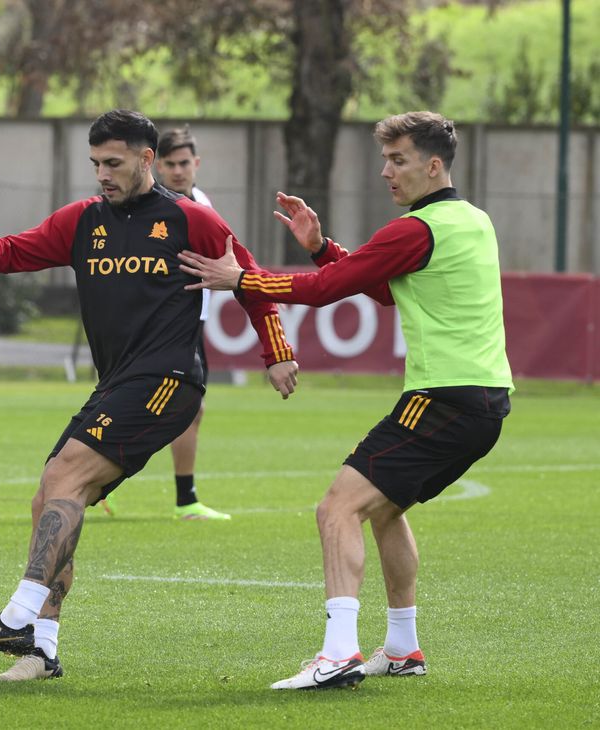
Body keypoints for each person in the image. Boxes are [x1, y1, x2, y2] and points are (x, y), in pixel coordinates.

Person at [0, 109, 299, 682]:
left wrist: (277, 353)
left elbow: (249, 280)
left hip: (168, 381)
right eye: (95, 163)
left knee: (65, 477)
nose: (102, 173)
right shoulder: (82, 221)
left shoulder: (191, 220)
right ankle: (43, 649)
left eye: (113, 162)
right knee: (53, 499)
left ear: (146, 159)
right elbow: (12, 253)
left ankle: (16, 615)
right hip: (117, 383)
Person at [178, 111, 513, 690]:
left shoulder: (415, 229)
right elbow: (381, 287)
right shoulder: (471, 220)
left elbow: (333, 289)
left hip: (443, 400)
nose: (386, 171)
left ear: (433, 166)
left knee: (336, 509)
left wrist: (243, 281)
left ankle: (337, 655)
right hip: (482, 400)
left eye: (399, 160)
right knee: (384, 510)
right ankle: (403, 649)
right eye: (385, 159)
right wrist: (320, 245)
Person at [149, 125, 230, 521]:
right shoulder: (155, 208)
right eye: (171, 163)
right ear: (157, 165)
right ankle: (89, 474)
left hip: (192, 322)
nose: (178, 170)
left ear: (196, 164)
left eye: (184, 163)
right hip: (164, 326)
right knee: (169, 407)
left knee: (189, 409)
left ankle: (186, 498)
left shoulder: (201, 202)